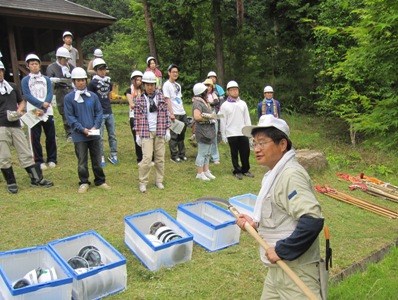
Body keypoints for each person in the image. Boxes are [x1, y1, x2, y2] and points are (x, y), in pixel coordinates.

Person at [237, 115, 324, 299]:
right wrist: (254, 224)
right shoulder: (273, 175)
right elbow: (279, 217)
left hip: (297, 272)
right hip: (277, 272)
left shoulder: (291, 175)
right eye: (254, 144)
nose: (257, 149)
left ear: (282, 144)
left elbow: (313, 220)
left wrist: (282, 249)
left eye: (262, 142)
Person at [0, 61, 53, 194]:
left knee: (25, 152)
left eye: (1, 71)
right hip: (1, 126)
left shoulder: (11, 86)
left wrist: (18, 111)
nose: (0, 74)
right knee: (4, 156)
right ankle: (11, 182)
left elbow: (21, 101)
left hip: (15, 124)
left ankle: (36, 179)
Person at [64, 67, 111, 193]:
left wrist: (95, 126)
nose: (81, 83)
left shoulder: (93, 96)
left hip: (94, 134)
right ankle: (84, 182)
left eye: (83, 80)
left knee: (96, 159)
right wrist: (82, 129)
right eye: (78, 80)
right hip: (80, 136)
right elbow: (70, 117)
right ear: (73, 82)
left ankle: (100, 180)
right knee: (82, 161)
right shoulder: (69, 98)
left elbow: (99, 112)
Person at [135, 71, 170, 193]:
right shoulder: (139, 99)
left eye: (152, 84)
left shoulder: (160, 97)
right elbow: (137, 118)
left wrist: (167, 129)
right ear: (144, 85)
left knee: (160, 158)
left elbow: (166, 114)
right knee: (147, 158)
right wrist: (137, 134)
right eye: (148, 84)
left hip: (160, 130)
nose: (150, 87)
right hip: (146, 131)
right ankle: (143, 181)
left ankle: (159, 180)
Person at [21, 54, 57, 170]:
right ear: (28, 66)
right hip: (34, 111)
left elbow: (50, 93)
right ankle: (38, 160)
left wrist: (45, 106)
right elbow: (27, 95)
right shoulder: (26, 80)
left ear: (39, 65)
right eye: (32, 64)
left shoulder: (46, 79)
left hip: (47, 111)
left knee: (50, 135)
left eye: (36, 64)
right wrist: (40, 105)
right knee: (35, 137)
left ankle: (52, 158)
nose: (34, 66)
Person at [219, 80, 253, 180]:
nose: (234, 92)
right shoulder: (225, 105)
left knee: (245, 152)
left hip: (242, 132)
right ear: (228, 92)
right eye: (232, 90)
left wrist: (250, 131)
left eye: (236, 89)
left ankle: (245, 169)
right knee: (234, 153)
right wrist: (223, 134)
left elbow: (247, 118)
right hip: (231, 133)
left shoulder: (243, 104)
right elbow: (223, 120)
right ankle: (237, 170)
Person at [87, 58, 118, 166]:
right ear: (96, 70)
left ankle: (113, 153)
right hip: (98, 113)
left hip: (109, 111)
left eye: (104, 69)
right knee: (99, 136)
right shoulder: (92, 84)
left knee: (112, 134)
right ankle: (100, 156)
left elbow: (109, 96)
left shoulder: (108, 82)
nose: (102, 71)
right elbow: (89, 98)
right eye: (100, 69)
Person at [46, 47, 74, 142]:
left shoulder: (70, 66)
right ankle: (69, 133)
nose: (66, 61)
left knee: (74, 110)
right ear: (59, 58)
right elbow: (48, 79)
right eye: (64, 59)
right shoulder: (52, 67)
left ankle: (76, 130)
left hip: (71, 90)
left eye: (67, 59)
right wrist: (57, 80)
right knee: (64, 111)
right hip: (60, 90)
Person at [192, 82, 217, 181]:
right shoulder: (197, 103)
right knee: (202, 152)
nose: (207, 93)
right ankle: (199, 172)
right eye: (205, 92)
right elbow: (197, 116)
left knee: (207, 152)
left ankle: (206, 170)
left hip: (208, 129)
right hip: (202, 130)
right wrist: (209, 117)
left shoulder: (203, 102)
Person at [163, 64, 187, 163]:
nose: (175, 74)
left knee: (182, 134)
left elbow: (179, 99)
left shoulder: (178, 85)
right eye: (173, 72)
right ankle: (174, 155)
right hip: (174, 113)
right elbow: (167, 99)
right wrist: (171, 113)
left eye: (176, 72)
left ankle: (182, 154)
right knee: (174, 135)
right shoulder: (166, 85)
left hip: (181, 111)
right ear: (169, 73)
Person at [125, 70, 144, 163]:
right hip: (134, 116)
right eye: (137, 80)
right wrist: (139, 105)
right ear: (133, 80)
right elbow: (131, 103)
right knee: (137, 137)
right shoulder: (129, 90)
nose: (139, 82)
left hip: (143, 115)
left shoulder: (143, 90)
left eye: (141, 80)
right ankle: (139, 157)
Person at [203, 78, 220, 164]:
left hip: (213, 115)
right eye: (206, 85)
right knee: (206, 136)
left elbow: (216, 102)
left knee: (214, 136)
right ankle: (206, 156)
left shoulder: (213, 94)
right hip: (204, 116)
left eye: (209, 86)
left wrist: (209, 103)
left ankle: (215, 157)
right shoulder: (202, 95)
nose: (208, 87)